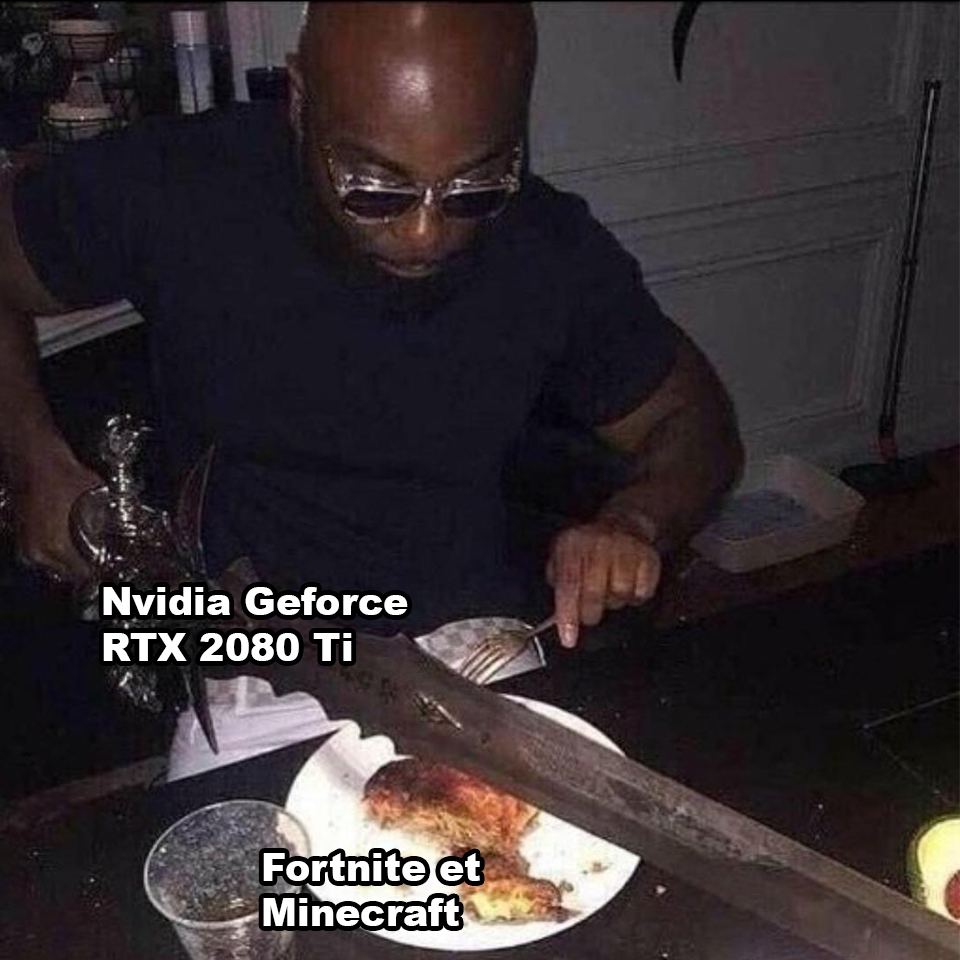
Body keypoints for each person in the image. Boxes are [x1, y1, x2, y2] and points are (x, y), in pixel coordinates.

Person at [0, 3, 742, 776]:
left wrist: (635, 519)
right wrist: (32, 461)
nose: (426, 234)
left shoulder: (546, 245)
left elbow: (693, 419)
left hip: (474, 655)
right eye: (376, 186)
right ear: (300, 100)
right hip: (254, 670)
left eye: (473, 186)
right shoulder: (183, 184)